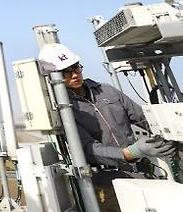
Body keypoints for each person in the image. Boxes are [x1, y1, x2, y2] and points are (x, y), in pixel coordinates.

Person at [38, 43, 178, 211]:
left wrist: (169, 135)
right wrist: (131, 152)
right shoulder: (64, 110)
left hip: (139, 172)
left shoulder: (107, 91)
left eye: (76, 68)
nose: (74, 74)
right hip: (104, 183)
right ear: (52, 77)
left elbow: (143, 118)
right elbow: (88, 149)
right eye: (66, 72)